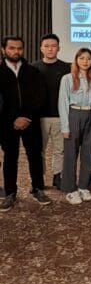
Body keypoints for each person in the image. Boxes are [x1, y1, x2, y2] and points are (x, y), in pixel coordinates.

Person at [0, 36, 51, 211]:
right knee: (10, 158)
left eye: (19, 48)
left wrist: (26, 116)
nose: (16, 51)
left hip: (31, 121)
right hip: (7, 124)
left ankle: (37, 189)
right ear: (3, 50)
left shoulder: (33, 71)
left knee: (35, 155)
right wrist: (13, 119)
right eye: (12, 48)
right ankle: (10, 193)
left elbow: (41, 96)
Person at [58, 48, 91, 205]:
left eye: (88, 59)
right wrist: (65, 127)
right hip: (74, 115)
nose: (85, 61)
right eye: (82, 58)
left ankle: (84, 186)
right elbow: (62, 103)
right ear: (76, 60)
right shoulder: (68, 78)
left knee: (88, 152)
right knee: (71, 153)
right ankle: (70, 189)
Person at [32, 34, 71, 190]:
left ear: (59, 48)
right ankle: (38, 180)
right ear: (41, 48)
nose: (50, 48)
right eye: (46, 46)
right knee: (38, 150)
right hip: (38, 117)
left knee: (59, 150)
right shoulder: (33, 68)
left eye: (53, 46)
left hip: (60, 116)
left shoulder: (66, 68)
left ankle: (57, 177)